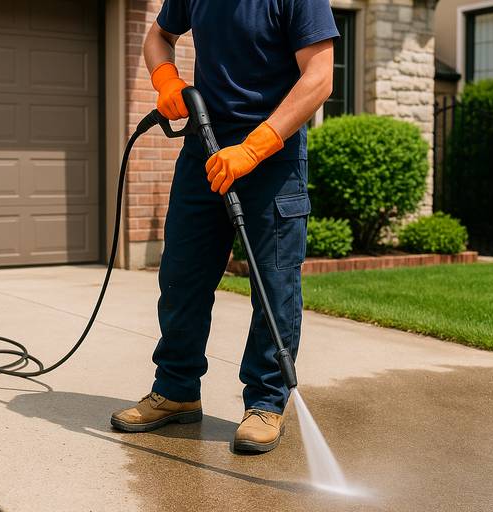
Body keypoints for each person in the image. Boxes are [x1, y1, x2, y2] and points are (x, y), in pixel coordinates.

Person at [111, 0, 339, 453]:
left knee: (274, 287)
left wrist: (255, 148)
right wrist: (166, 79)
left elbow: (319, 78)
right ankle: (176, 390)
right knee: (181, 278)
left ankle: (266, 402)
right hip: (204, 152)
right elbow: (158, 37)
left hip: (272, 159)